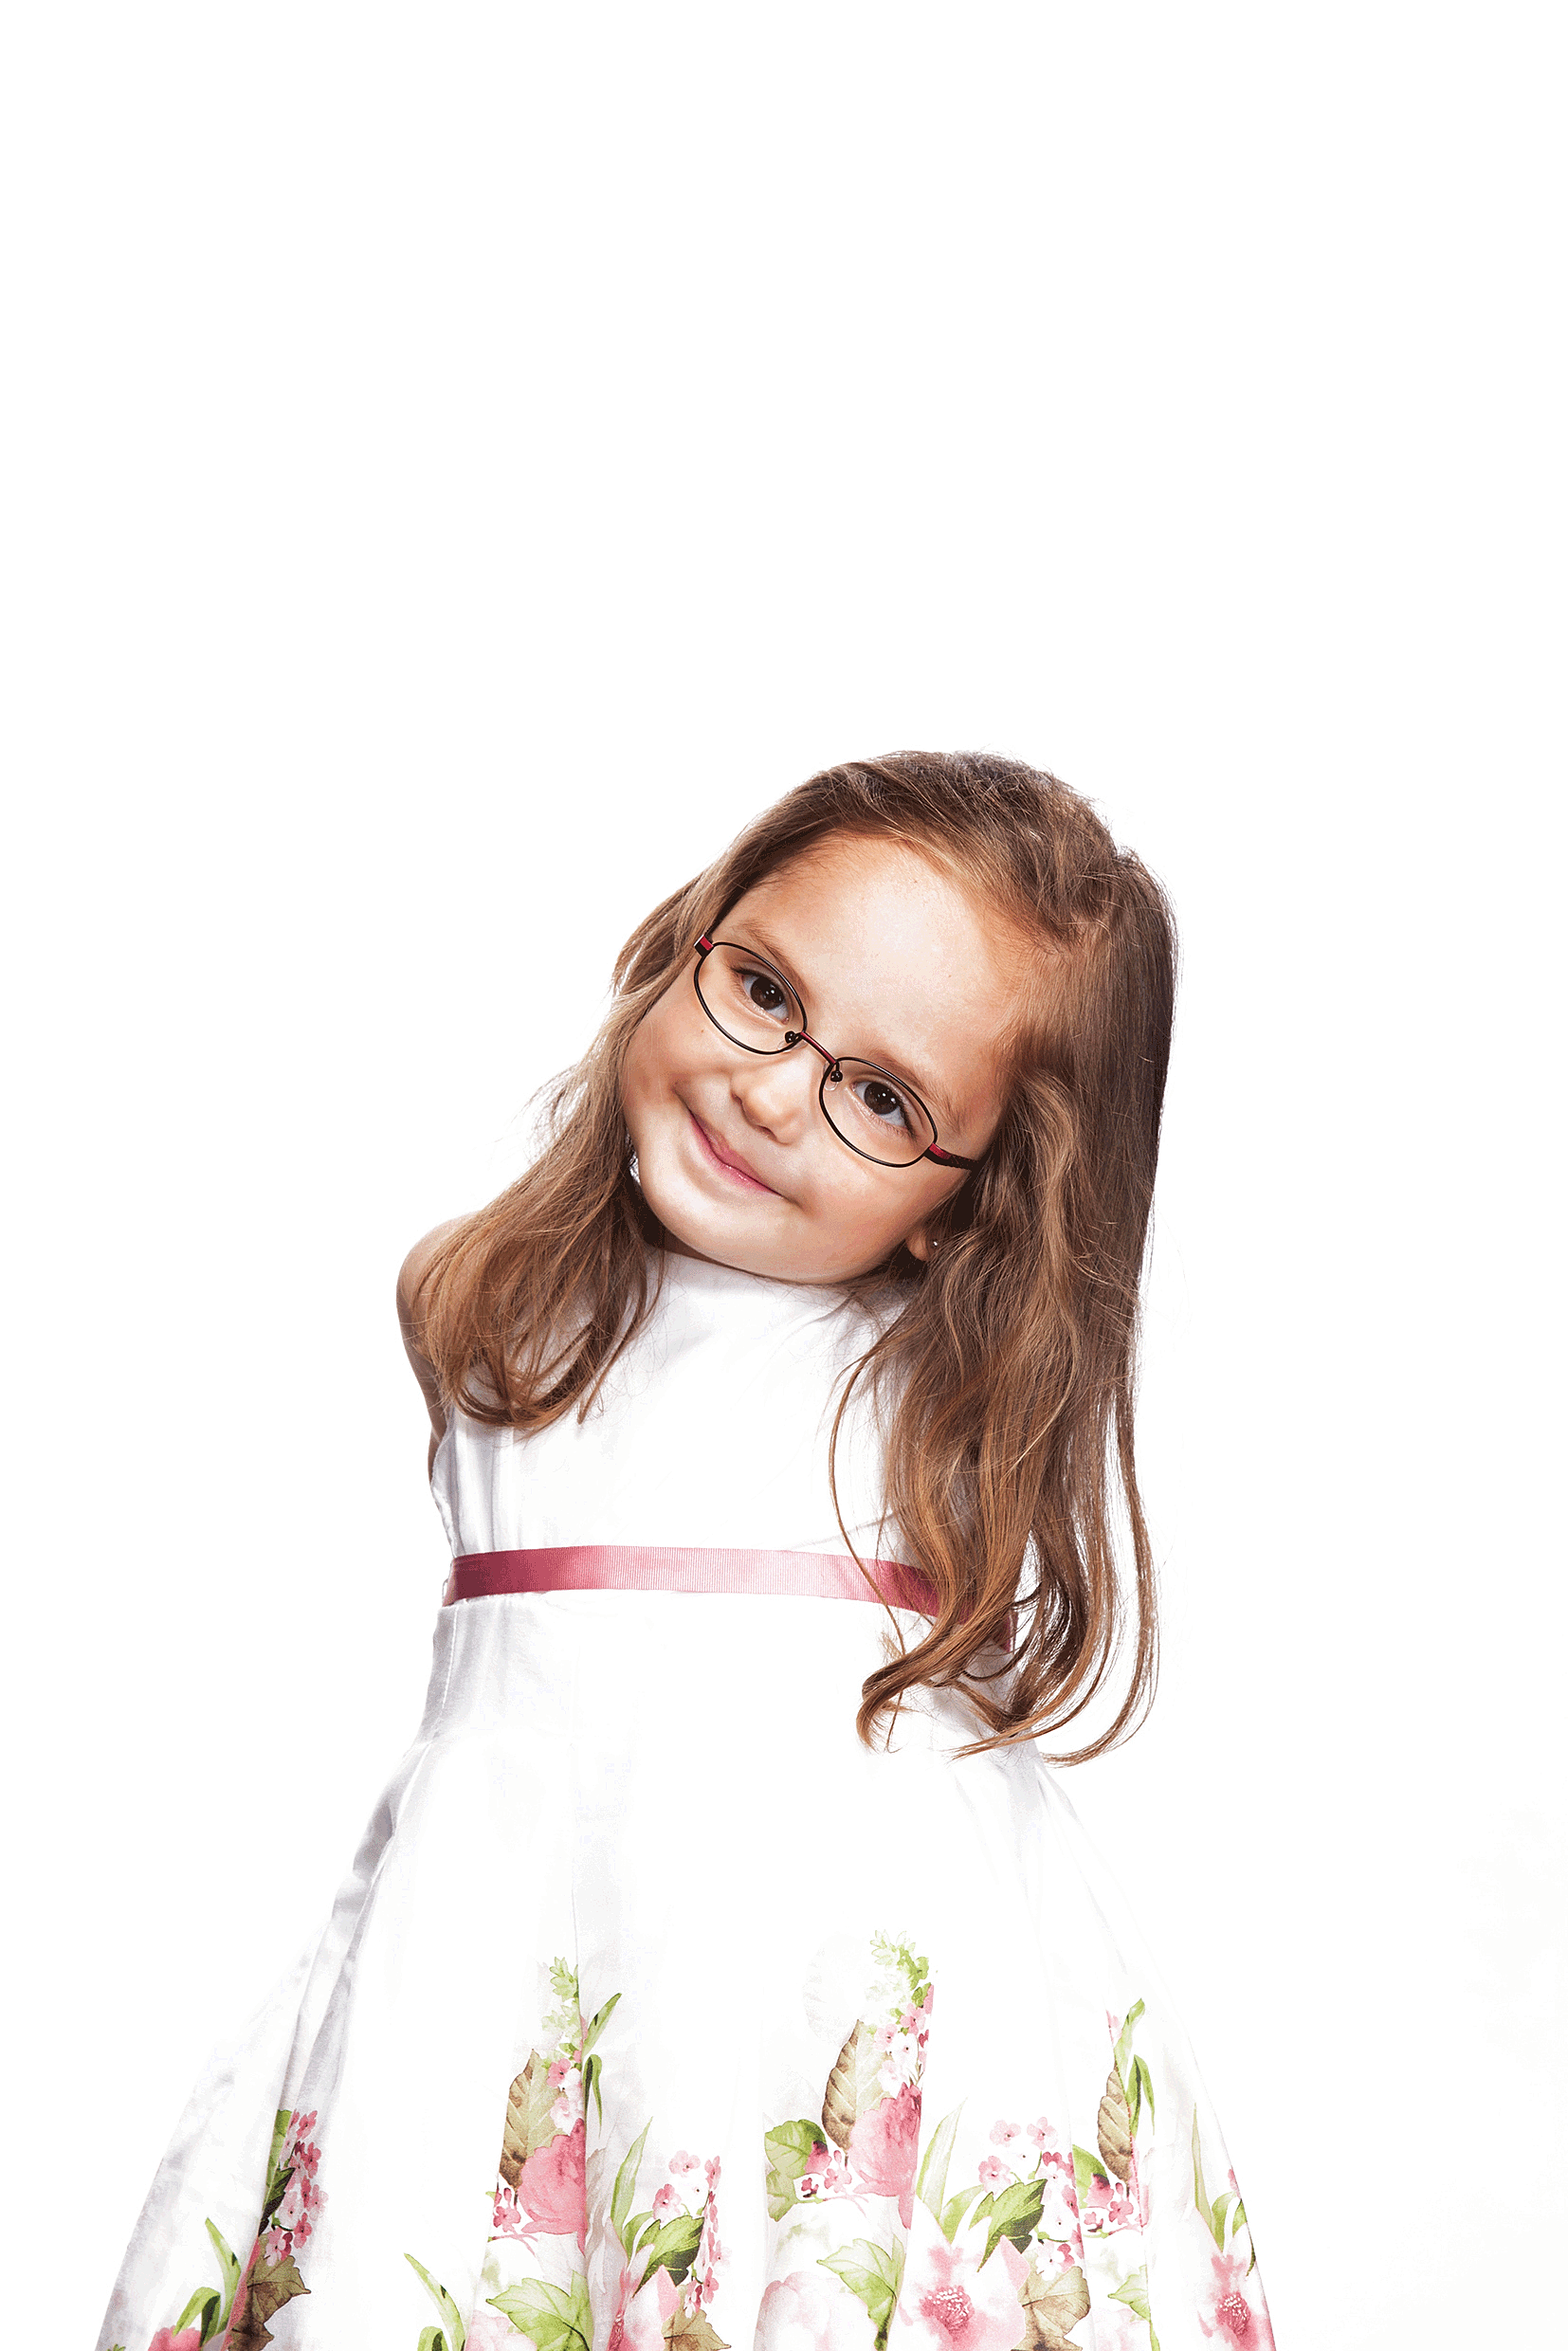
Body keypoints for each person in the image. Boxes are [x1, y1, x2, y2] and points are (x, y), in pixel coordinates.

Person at [100, 752, 1275, 2351]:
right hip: (491, 1986)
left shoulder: (931, 1397)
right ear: (685, 944)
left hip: (813, 2028)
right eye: (765, 992)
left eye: (883, 1098)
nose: (773, 1092)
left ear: (974, 1201)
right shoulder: (498, 1317)